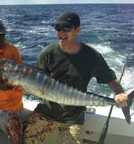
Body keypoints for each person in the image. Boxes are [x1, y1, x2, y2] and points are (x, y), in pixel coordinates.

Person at [23, 11, 128, 144]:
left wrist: (120, 93)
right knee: (26, 138)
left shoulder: (92, 56)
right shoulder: (47, 53)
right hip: (46, 112)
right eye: (58, 29)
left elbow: (111, 80)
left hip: (73, 118)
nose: (61, 33)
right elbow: (38, 82)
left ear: (77, 30)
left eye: (66, 29)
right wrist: (22, 87)